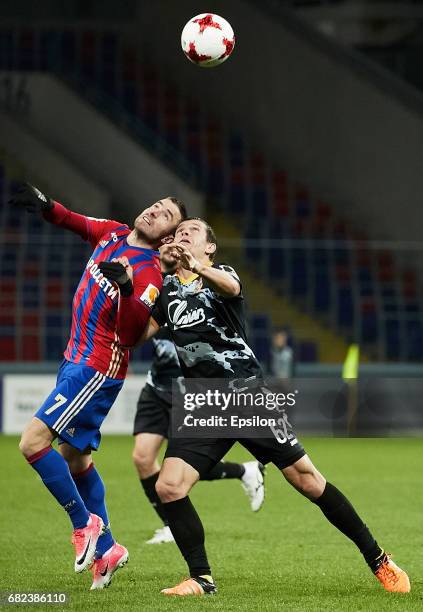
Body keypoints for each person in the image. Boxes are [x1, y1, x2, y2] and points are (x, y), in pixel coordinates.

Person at [118, 216, 410, 596]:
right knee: (169, 486)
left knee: (306, 479)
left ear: (209, 246)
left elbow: (232, 287)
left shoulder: (219, 273)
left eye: (193, 231)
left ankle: (379, 559)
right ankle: (201, 579)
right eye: (180, 231)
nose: (183, 234)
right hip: (204, 402)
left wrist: (199, 267)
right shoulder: (167, 291)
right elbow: (132, 337)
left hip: (247, 395)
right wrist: (127, 290)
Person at [12, 183, 187, 590]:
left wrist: (126, 288)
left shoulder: (148, 274)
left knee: (32, 444)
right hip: (75, 359)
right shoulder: (111, 232)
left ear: (166, 236)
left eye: (165, 215)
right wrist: (45, 204)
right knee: (74, 458)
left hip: (97, 368)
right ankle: (107, 548)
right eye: (156, 204)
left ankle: (84, 523)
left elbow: (128, 337)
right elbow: (73, 221)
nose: (154, 211)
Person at [132, 323, 265, 545]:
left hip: (191, 393)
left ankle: (244, 471)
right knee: (142, 458)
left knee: (184, 466)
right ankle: (170, 525)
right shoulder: (155, 293)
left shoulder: (201, 296)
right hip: (157, 387)